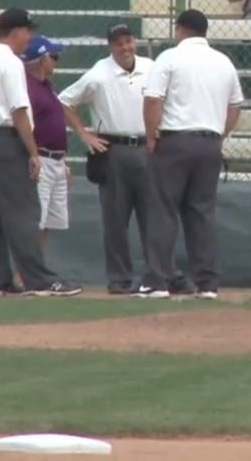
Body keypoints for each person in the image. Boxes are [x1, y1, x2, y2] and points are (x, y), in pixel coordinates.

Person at [0, 8, 81, 298]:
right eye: (27, 31)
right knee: (23, 212)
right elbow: (19, 110)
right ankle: (39, 279)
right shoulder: (10, 63)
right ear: (16, 31)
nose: (28, 37)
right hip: (8, 140)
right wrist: (33, 152)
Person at [59, 23, 170, 296]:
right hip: (114, 147)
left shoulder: (152, 67)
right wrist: (84, 134)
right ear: (111, 46)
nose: (125, 47)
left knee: (153, 217)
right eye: (119, 43)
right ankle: (119, 279)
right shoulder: (99, 73)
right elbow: (63, 101)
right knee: (116, 219)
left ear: (135, 41)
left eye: (128, 41)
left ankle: (155, 276)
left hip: (147, 145)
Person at [140, 10, 244, 299]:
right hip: (210, 141)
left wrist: (151, 134)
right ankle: (207, 283)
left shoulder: (170, 57)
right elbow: (236, 105)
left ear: (180, 29)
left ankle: (157, 280)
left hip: (175, 139)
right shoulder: (223, 61)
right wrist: (220, 134)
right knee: (201, 213)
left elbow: (153, 99)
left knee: (163, 210)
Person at [20, 35, 72, 258]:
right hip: (40, 158)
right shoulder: (28, 88)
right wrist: (33, 155)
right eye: (54, 56)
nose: (56, 61)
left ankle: (37, 272)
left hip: (56, 160)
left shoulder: (47, 86)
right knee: (35, 222)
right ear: (42, 59)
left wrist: (63, 161)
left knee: (47, 222)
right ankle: (25, 275)